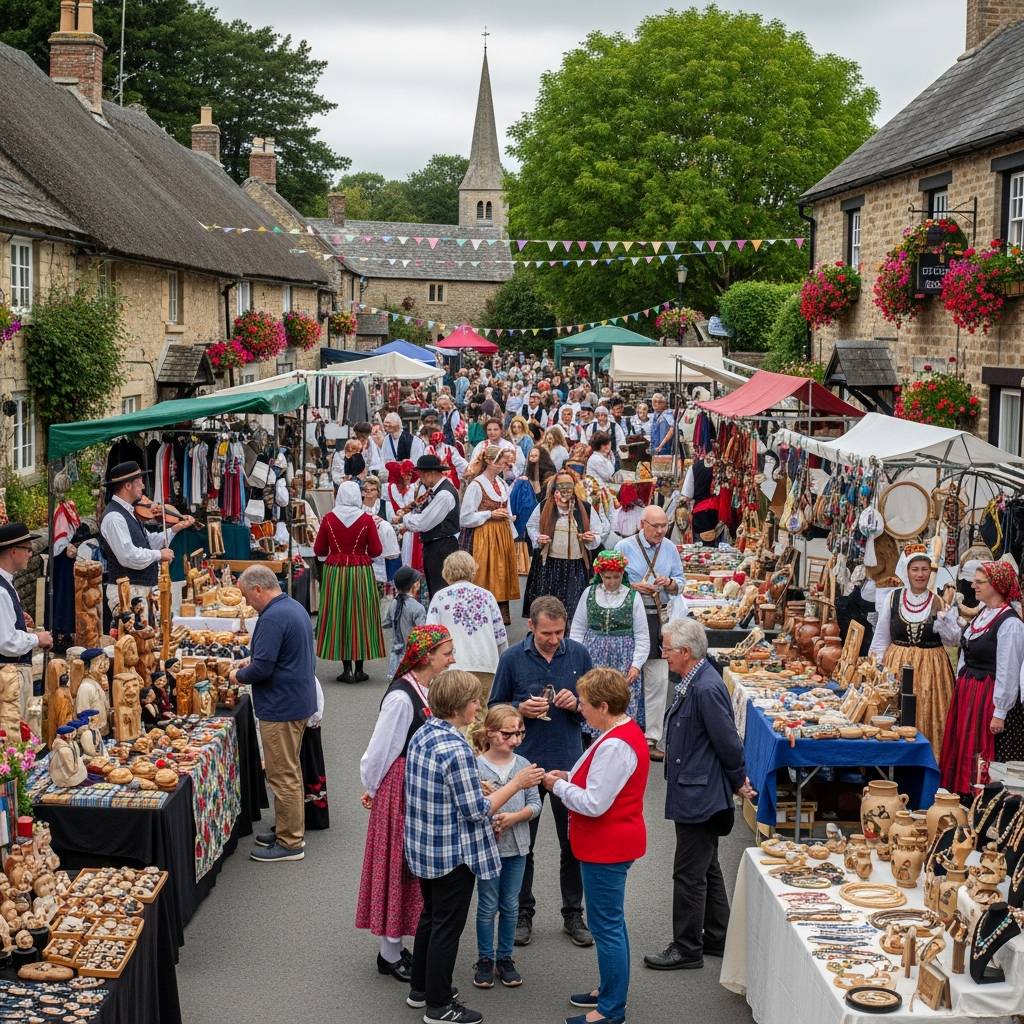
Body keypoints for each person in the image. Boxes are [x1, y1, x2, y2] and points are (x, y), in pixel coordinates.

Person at [405, 669, 544, 1024]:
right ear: (461, 706)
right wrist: (515, 784)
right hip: (452, 853)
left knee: (430, 919)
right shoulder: (457, 748)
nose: (479, 706)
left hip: (424, 846)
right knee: (447, 929)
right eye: (475, 701)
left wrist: (478, 785)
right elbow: (476, 811)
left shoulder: (425, 732)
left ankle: (420, 989)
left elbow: (443, 788)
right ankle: (439, 1006)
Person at [644, 617, 755, 971]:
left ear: (685, 652)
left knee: (688, 873)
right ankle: (718, 937)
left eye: (667, 649)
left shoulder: (704, 687)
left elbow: (729, 742)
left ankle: (687, 947)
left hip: (699, 793)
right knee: (706, 866)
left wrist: (739, 780)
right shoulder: (698, 679)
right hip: (698, 788)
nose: (664, 655)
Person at [544, 668, 649, 1024]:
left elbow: (594, 803)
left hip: (607, 848)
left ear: (604, 706)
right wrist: (568, 776)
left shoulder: (615, 744)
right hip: (610, 844)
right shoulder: (619, 733)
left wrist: (556, 786)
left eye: (586, 705)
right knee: (610, 924)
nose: (582, 710)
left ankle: (610, 1009)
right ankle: (608, 990)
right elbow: (599, 784)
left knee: (606, 926)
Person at [490, 596, 595, 949]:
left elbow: (597, 711)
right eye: (547, 633)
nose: (554, 640)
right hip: (526, 766)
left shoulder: (578, 654)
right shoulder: (512, 659)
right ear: (531, 627)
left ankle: (572, 914)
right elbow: (494, 708)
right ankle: (522, 914)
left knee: (574, 844)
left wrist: (578, 705)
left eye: (560, 632)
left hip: (569, 764)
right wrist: (519, 710)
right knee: (523, 845)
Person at [357, 625, 456, 985]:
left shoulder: (425, 688)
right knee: (398, 865)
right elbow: (381, 748)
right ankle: (389, 952)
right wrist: (372, 785)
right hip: (400, 789)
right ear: (427, 657)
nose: (453, 658)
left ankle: (395, 947)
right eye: (447, 653)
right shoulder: (402, 698)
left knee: (409, 867)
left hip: (415, 786)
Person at [230, 566, 317, 863]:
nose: (246, 603)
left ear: (258, 589)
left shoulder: (272, 617)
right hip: (295, 700)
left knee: (283, 775)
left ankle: (291, 842)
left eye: (246, 596)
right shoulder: (292, 607)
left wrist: (237, 675)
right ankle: (286, 829)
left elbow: (262, 668)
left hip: (282, 706)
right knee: (289, 770)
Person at [936, 560, 1024, 794]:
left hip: (988, 695)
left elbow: (1009, 671)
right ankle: (960, 797)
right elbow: (966, 648)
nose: (973, 585)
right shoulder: (984, 614)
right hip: (969, 692)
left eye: (979, 582)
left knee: (982, 752)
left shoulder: (1010, 624)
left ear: (996, 585)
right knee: (964, 747)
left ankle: (980, 801)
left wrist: (999, 713)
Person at [471, 704, 542, 990]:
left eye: (520, 733)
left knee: (511, 904)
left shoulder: (524, 765)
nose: (515, 740)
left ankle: (505, 958)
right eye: (508, 734)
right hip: (487, 849)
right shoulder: (475, 765)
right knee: (487, 904)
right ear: (489, 733)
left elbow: (535, 805)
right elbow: (473, 809)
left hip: (518, 847)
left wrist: (515, 817)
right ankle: (485, 958)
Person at [867, 544, 956, 756]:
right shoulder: (893, 598)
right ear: (906, 571)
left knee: (930, 715)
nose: (920, 574)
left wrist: (944, 620)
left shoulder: (939, 602)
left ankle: (927, 762)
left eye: (925, 569)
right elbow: (881, 638)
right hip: (897, 665)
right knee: (895, 714)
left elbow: (953, 640)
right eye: (915, 569)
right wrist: (876, 671)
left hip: (933, 671)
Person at [615, 506, 685, 762]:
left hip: (658, 617)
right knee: (628, 676)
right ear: (642, 524)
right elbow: (609, 579)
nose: (660, 531)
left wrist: (671, 583)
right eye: (655, 526)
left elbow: (681, 581)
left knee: (657, 679)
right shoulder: (623, 546)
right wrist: (633, 586)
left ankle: (652, 738)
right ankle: (624, 732)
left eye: (664, 526)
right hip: (632, 617)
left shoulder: (670, 548)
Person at [569, 551, 649, 738]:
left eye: (616, 577)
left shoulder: (633, 597)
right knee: (595, 696)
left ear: (623, 574)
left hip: (623, 658)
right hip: (593, 655)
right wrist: (576, 656)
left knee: (618, 700)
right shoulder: (589, 594)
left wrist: (636, 665)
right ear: (600, 575)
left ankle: (620, 740)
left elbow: (642, 635)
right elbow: (578, 627)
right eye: (607, 577)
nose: (612, 582)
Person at [99, 461, 193, 616]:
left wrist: (175, 528)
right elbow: (128, 556)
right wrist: (159, 555)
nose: (142, 487)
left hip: (139, 590)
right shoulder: (114, 517)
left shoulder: (129, 512)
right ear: (127, 486)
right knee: (134, 638)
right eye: (139, 482)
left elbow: (149, 542)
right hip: (127, 592)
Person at [313, 481, 384, 684]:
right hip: (360, 572)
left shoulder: (328, 519)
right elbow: (376, 550)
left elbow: (319, 550)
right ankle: (360, 669)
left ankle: (346, 670)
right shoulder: (366, 519)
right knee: (360, 616)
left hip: (335, 572)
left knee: (340, 616)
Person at [426, 551, 508, 708]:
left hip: (453, 666)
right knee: (481, 717)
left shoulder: (440, 597)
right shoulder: (487, 596)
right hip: (485, 664)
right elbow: (500, 636)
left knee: (454, 714)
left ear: (446, 572)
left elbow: (432, 636)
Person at [523, 470, 604, 620]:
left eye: (569, 486)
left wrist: (591, 538)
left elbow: (598, 531)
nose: (565, 490)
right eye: (561, 486)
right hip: (550, 566)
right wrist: (538, 538)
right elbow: (532, 526)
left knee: (574, 608)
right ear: (555, 488)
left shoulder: (585, 508)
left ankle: (570, 638)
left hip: (576, 566)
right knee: (549, 608)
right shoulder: (544, 507)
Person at [460, 446, 519, 625]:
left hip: (502, 534)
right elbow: (465, 518)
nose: (505, 463)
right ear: (491, 462)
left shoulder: (501, 483)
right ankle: (483, 614)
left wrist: (510, 520)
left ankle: (499, 615)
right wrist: (489, 514)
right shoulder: (476, 485)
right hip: (484, 536)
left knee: (501, 573)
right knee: (486, 574)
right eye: (501, 460)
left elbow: (506, 509)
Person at [0, 523, 53, 717]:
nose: (30, 554)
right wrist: (37, 639)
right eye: (27, 550)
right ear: (13, 551)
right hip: (8, 677)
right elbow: (7, 643)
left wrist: (20, 623)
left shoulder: (6, 584)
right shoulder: (1, 591)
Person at [395, 454, 461, 602]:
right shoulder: (437, 491)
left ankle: (442, 623)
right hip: (436, 545)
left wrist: (404, 519)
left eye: (422, 475)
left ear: (430, 473)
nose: (420, 479)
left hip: (442, 546)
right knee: (435, 588)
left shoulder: (444, 494)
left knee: (441, 589)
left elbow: (423, 523)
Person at [384, 567, 427, 679]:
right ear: (415, 585)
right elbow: (421, 633)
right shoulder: (418, 608)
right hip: (410, 659)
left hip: (394, 660)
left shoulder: (394, 603)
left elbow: (387, 622)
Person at [682, 453, 719, 544]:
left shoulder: (694, 467)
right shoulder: (721, 466)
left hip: (700, 513)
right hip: (719, 512)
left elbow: (687, 495)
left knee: (700, 548)